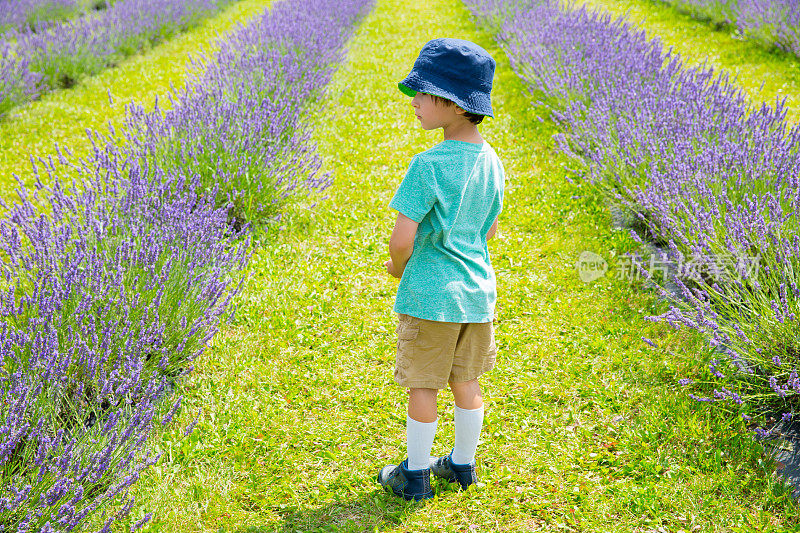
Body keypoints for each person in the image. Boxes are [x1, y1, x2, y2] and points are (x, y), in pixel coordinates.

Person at [378, 37, 505, 501]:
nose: (414, 101)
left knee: (423, 384)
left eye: (423, 93)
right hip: (476, 294)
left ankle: (413, 476)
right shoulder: (492, 161)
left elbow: (403, 238)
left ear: (451, 105)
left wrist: (397, 266)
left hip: (432, 296)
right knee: (466, 382)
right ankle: (463, 465)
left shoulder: (427, 165)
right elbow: (488, 230)